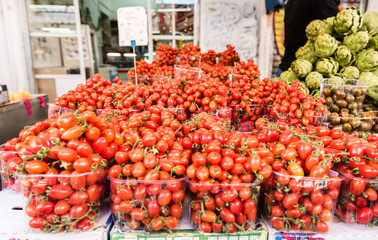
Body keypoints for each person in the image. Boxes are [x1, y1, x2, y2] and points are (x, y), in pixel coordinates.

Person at [276, 0, 340, 77]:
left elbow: (283, 40)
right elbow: (342, 33)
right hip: (300, 77)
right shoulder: (323, 2)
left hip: (285, 71)